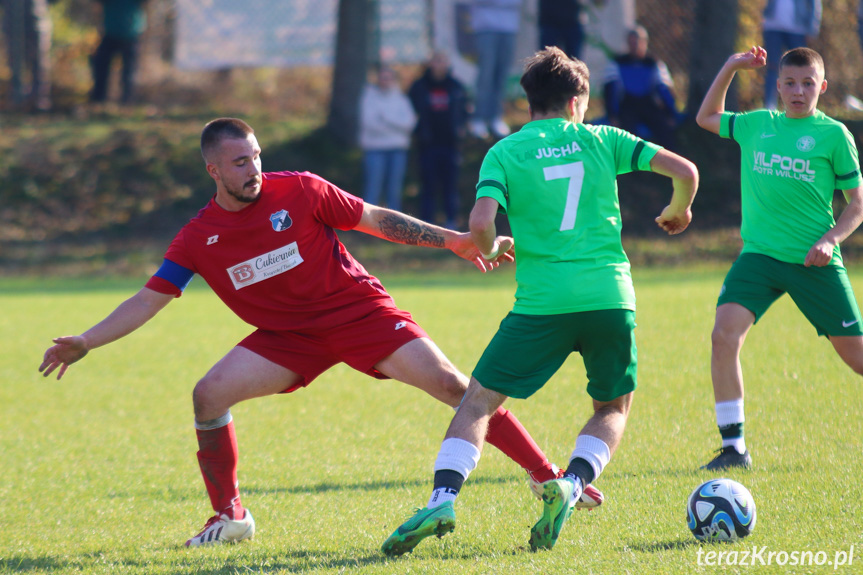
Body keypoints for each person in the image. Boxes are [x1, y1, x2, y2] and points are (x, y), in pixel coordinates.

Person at [38, 117, 605, 547]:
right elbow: (148, 299)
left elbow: (377, 219)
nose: (252, 169)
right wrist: (87, 339)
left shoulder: (302, 190)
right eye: (238, 163)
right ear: (213, 169)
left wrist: (455, 240)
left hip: (360, 314)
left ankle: (546, 476)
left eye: (255, 157)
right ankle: (231, 516)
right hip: (288, 337)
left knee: (456, 387)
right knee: (208, 395)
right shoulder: (198, 237)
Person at [381, 47, 698, 556]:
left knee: (479, 402)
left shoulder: (505, 152)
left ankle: (443, 498)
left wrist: (491, 247)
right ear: (579, 100)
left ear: (528, 101)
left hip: (540, 305)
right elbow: (685, 169)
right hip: (608, 298)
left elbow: (482, 225)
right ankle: (571, 486)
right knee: (612, 406)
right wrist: (678, 211)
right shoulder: (603, 138)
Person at [695, 46, 863, 470]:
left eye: (808, 83)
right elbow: (706, 117)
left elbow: (857, 202)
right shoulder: (757, 125)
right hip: (759, 258)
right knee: (723, 336)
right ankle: (734, 448)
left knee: (859, 361)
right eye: (790, 82)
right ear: (778, 86)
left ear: (822, 87)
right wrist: (731, 65)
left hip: (814, 263)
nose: (798, 91)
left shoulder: (833, 135)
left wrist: (831, 239)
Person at [408, 51, 469, 229]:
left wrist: (461, 130)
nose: (439, 65)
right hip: (427, 145)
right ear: (430, 63)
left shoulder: (456, 87)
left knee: (450, 185)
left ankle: (451, 221)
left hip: (451, 144)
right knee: (428, 185)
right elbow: (410, 111)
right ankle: (426, 224)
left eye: (443, 61)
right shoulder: (419, 87)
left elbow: (465, 111)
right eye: (436, 61)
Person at [602, 25, 680, 149]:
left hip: (649, 104)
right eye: (631, 42)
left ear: (645, 43)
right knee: (628, 137)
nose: (635, 46)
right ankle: (633, 168)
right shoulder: (617, 63)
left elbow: (663, 89)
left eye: (638, 42)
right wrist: (612, 115)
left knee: (665, 132)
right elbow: (610, 90)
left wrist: (671, 113)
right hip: (628, 106)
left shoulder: (654, 64)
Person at [358, 65, 417, 212]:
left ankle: (393, 228)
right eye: (383, 78)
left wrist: (386, 119)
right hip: (374, 150)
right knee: (372, 189)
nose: (385, 81)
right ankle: (367, 225)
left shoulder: (401, 99)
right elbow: (369, 124)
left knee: (394, 190)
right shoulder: (369, 98)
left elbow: (410, 124)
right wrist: (396, 127)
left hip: (397, 150)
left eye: (389, 78)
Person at [467, 0, 522, 140]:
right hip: (485, 26)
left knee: (502, 75)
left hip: (509, 27)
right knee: (486, 74)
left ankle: (496, 116)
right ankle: (479, 117)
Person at [761, 0, 821, 110]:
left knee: (801, 69)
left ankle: (802, 105)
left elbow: (814, 3)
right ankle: (769, 107)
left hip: (798, 29)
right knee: (773, 67)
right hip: (773, 26)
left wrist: (812, 27)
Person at [90, 0, 148, 104]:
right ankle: (98, 99)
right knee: (100, 65)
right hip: (110, 34)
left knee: (129, 72)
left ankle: (127, 101)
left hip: (131, 35)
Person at [1, 0, 52, 111]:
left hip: (37, 16)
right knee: (14, 61)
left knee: (39, 61)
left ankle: (39, 100)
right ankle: (16, 99)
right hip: (12, 18)